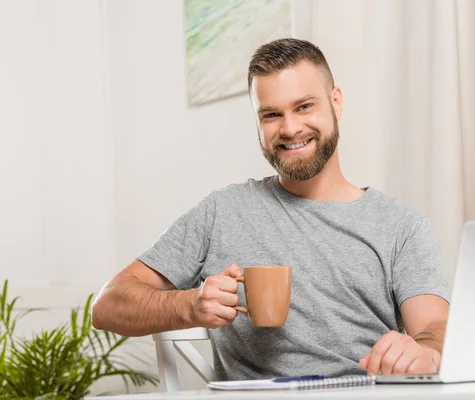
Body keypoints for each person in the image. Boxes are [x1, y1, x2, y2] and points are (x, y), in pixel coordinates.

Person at [92, 38, 450, 381]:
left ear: (335, 102)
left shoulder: (401, 225)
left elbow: (435, 328)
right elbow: (107, 306)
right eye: (271, 115)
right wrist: (189, 306)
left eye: (305, 106)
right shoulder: (223, 211)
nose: (290, 128)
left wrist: (425, 351)